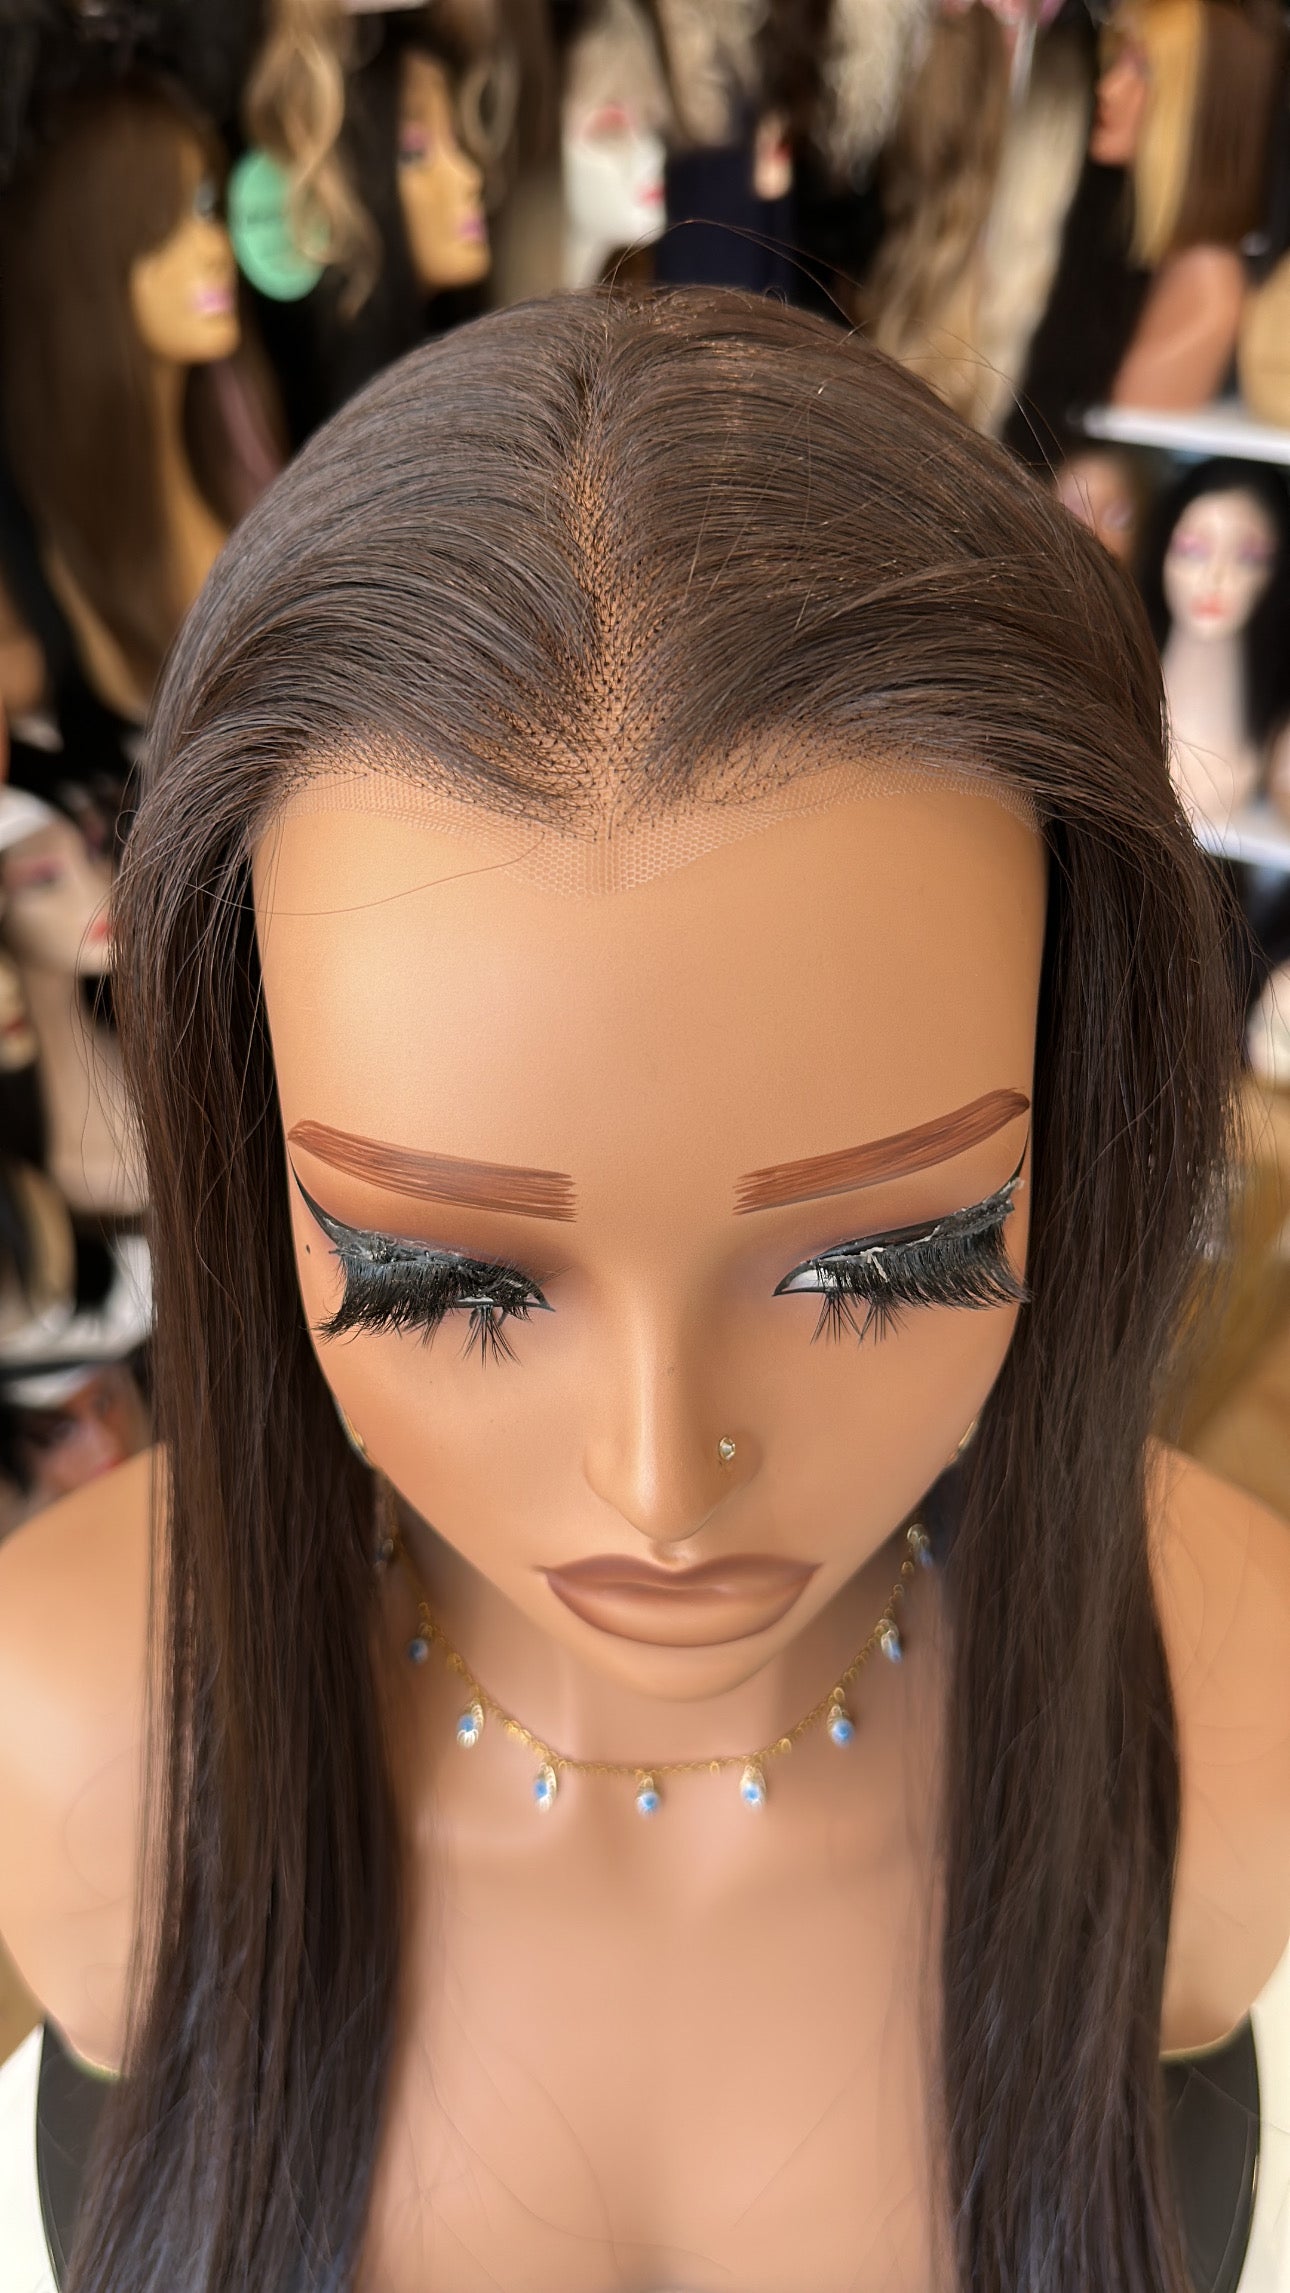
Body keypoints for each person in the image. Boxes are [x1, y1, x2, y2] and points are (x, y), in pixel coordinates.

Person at [0, 288, 1288, 2293]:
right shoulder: (75, 1719)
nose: (663, 1481)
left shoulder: (1225, 1709)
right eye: (442, 1278)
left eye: (882, 1258)